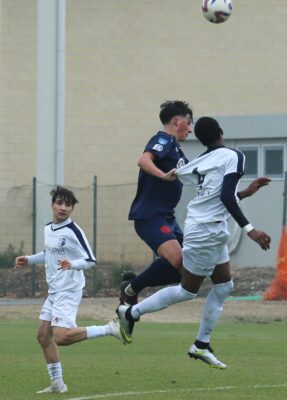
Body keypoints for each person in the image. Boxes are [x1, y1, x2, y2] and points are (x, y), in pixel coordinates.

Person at [121, 101, 270, 367]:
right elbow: (145, 160)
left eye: (192, 125)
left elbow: (214, 192)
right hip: (192, 227)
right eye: (186, 122)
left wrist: (247, 192)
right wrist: (250, 230)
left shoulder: (197, 161)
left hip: (205, 226)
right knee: (187, 288)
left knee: (224, 286)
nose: (188, 128)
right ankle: (131, 310)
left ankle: (201, 344)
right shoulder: (229, 155)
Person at [13, 186, 127, 394]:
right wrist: (29, 259)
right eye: (60, 203)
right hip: (55, 291)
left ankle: (110, 328)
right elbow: (49, 254)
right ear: (52, 205)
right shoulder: (48, 228)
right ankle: (58, 384)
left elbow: (90, 260)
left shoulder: (74, 231)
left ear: (72, 208)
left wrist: (72, 264)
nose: (63, 208)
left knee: (61, 337)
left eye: (68, 204)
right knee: (43, 337)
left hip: (69, 289)